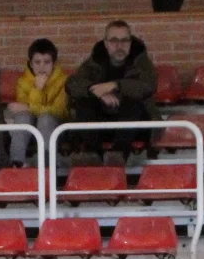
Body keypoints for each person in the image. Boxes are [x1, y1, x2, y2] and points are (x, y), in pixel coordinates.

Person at [66, 20, 157, 168]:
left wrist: (115, 85)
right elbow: (72, 84)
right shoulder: (93, 62)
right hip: (102, 124)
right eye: (114, 40)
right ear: (106, 43)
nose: (119, 46)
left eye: (124, 40)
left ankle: (118, 155)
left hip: (134, 126)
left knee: (133, 102)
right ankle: (92, 154)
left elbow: (148, 86)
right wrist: (95, 91)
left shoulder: (142, 62)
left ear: (130, 43)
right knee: (84, 102)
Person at [6, 38, 68, 168]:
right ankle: (16, 162)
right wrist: (37, 89)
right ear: (31, 64)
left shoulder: (63, 81)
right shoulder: (23, 82)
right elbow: (23, 112)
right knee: (23, 117)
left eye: (47, 62)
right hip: (30, 129)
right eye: (37, 62)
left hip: (55, 128)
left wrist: (30, 105)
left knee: (45, 118)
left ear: (54, 63)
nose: (42, 67)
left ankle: (46, 162)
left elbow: (60, 110)